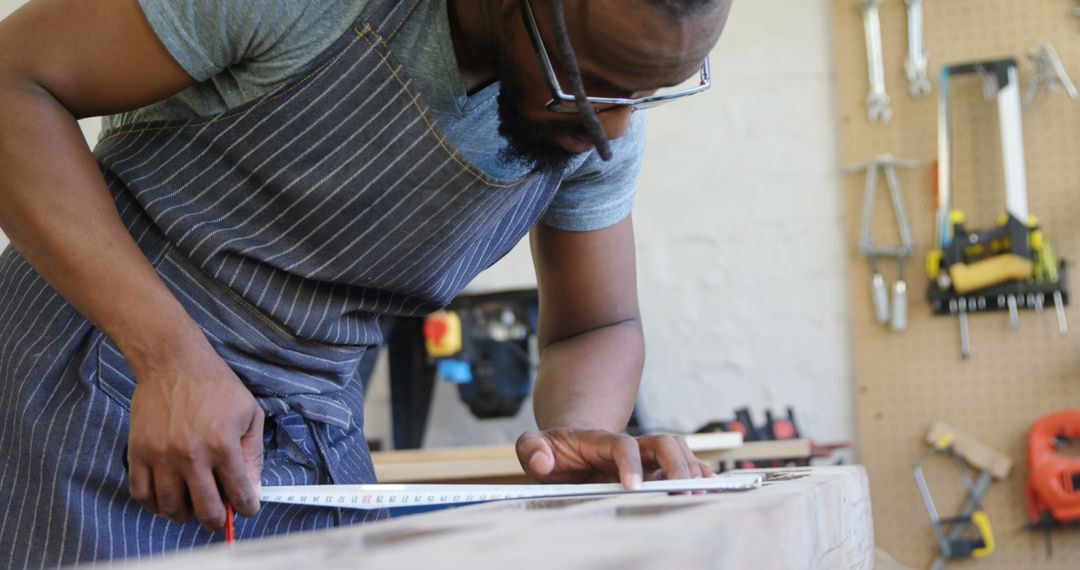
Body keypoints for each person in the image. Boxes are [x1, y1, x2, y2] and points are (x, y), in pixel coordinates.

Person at [0, 0, 731, 566]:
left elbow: (594, 327)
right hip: (96, 383)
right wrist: (166, 355)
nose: (613, 126)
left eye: (647, 92)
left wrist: (586, 430)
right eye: (590, 80)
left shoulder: (601, 121)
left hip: (308, 443)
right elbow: (13, 81)